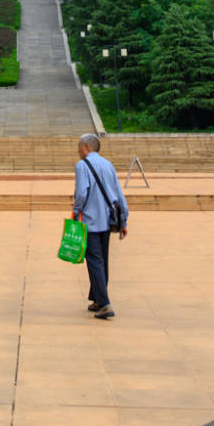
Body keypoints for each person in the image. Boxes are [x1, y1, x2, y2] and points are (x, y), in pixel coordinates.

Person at [73, 132, 127, 319]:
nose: (78, 151)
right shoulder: (108, 164)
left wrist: (76, 211)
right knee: (102, 260)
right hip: (109, 220)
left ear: (87, 147)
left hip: (91, 219)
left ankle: (104, 304)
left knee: (94, 260)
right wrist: (124, 220)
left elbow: (81, 193)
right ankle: (96, 298)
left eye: (79, 147)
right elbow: (118, 193)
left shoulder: (82, 165)